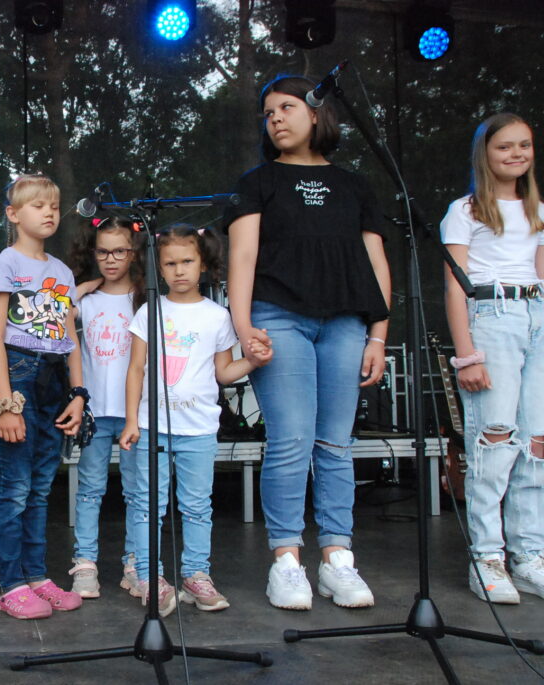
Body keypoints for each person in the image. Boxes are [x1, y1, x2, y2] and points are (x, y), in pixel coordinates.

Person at [225, 75, 391, 611]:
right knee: (292, 438)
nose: (275, 118)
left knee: (336, 442)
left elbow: (376, 261)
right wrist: (243, 327)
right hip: (278, 318)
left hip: (344, 321)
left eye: (287, 107)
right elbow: (242, 258)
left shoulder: (354, 185)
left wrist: (379, 334)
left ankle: (338, 558)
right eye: (268, 112)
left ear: (316, 113)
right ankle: (287, 561)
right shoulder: (258, 182)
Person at [118, 225, 270, 616]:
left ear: (203, 263)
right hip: (152, 427)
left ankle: (195, 575)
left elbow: (224, 372)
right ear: (159, 268)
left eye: (187, 261)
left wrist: (253, 361)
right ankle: (150, 576)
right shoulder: (149, 311)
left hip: (200, 430)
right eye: (170, 263)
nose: (179, 270)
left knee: (197, 507)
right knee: (148, 504)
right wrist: (132, 420)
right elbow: (135, 369)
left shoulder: (218, 316)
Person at [442, 112, 544, 603]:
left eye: (524, 145)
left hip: (537, 314)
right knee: (494, 436)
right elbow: (454, 287)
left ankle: (529, 554)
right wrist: (467, 355)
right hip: (491, 314)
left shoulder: (538, 208)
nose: (516, 154)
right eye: (505, 146)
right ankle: (486, 557)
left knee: (537, 441)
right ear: (485, 153)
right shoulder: (465, 210)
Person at [0, 173, 87, 619]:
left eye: (54, 206)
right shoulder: (4, 264)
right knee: (16, 488)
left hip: (55, 379)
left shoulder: (62, 272)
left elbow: (70, 336)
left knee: (40, 488)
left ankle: (38, 577)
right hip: (19, 374)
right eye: (38, 205)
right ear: (13, 214)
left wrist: (78, 393)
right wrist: (6, 404)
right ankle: (12, 585)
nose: (48, 213)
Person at [66, 217, 144, 598]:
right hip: (95, 411)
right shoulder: (87, 300)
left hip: (135, 414)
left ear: (133, 253)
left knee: (137, 491)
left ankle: (136, 562)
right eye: (103, 252)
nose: (111, 259)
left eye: (119, 251)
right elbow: (58, 312)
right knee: (90, 489)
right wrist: (82, 288)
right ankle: (85, 563)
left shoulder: (145, 301)